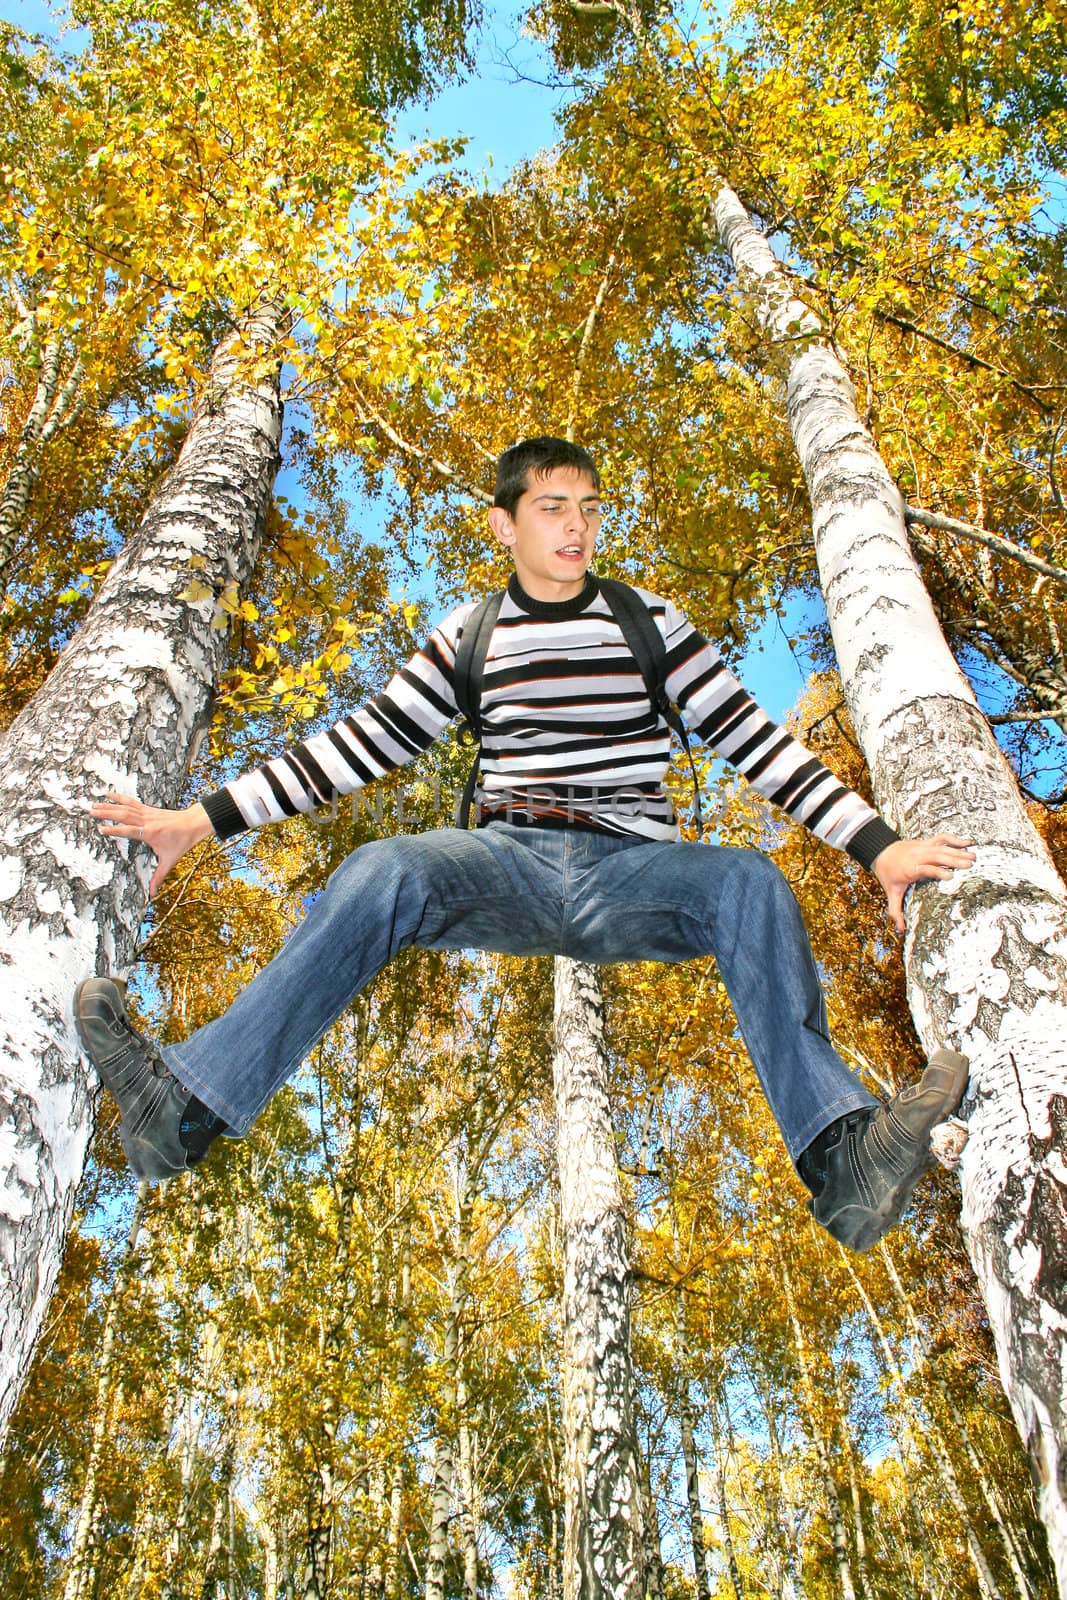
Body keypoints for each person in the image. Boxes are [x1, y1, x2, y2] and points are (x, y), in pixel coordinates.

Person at [75, 437, 975, 1252]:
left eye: (589, 507)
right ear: (504, 523)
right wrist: (197, 821)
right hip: (506, 862)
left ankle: (841, 1157)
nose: (577, 526)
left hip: (635, 872)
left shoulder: (647, 623)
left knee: (749, 881)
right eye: (553, 508)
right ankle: (183, 1109)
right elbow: (355, 747)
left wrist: (876, 846)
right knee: (384, 868)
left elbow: (753, 741)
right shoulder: (469, 637)